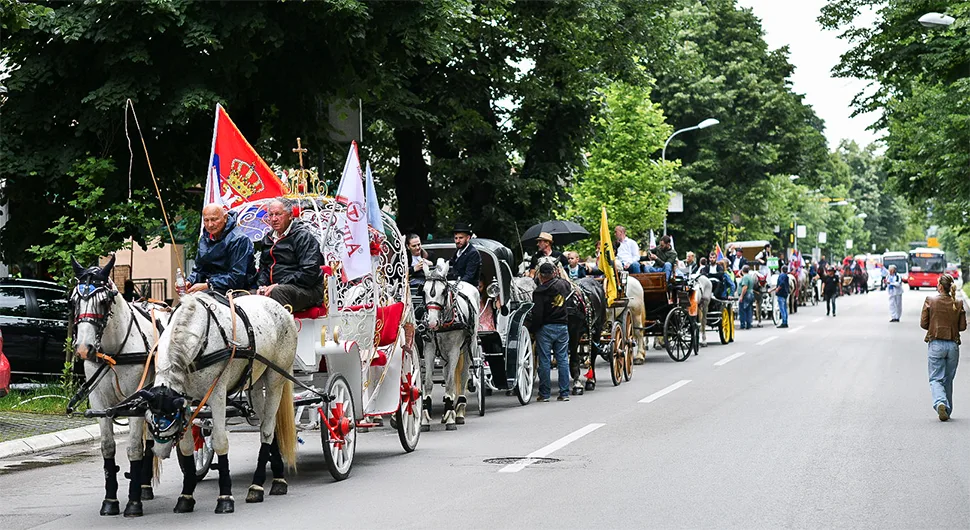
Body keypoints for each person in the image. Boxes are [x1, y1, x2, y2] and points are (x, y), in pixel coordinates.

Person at [257, 199, 324, 313]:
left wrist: (279, 284)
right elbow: (264, 268)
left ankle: (283, 330)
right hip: (277, 287)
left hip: (306, 289)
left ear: (290, 215)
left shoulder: (303, 237)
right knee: (246, 295)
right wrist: (262, 286)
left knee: (277, 292)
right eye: (271, 215)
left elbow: (309, 272)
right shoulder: (267, 239)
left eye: (278, 214)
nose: (274, 219)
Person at [920, 274, 967, 421]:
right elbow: (962, 327)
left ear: (940, 286)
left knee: (935, 379)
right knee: (948, 379)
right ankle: (947, 409)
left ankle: (940, 402)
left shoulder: (930, 301)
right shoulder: (958, 303)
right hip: (953, 345)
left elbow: (923, 324)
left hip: (936, 344)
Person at [186, 204, 257, 294]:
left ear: (225, 218)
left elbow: (237, 277)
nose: (210, 224)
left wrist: (208, 285)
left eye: (214, 219)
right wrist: (189, 281)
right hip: (210, 289)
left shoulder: (239, 240)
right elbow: (199, 270)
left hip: (240, 290)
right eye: (206, 220)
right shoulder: (203, 239)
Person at [529, 262, 572, 402]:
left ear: (541, 276)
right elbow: (567, 285)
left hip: (546, 328)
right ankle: (564, 393)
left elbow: (538, 315)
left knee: (545, 361)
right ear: (554, 273)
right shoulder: (564, 285)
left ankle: (545, 394)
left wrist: (533, 329)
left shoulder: (539, 292)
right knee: (563, 360)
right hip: (562, 326)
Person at [738, 265, 755, 329]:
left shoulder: (745, 277)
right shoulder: (750, 277)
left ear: (742, 270)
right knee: (749, 310)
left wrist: (741, 296)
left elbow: (745, 287)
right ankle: (748, 324)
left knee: (742, 309)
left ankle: (743, 324)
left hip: (746, 294)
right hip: (751, 294)